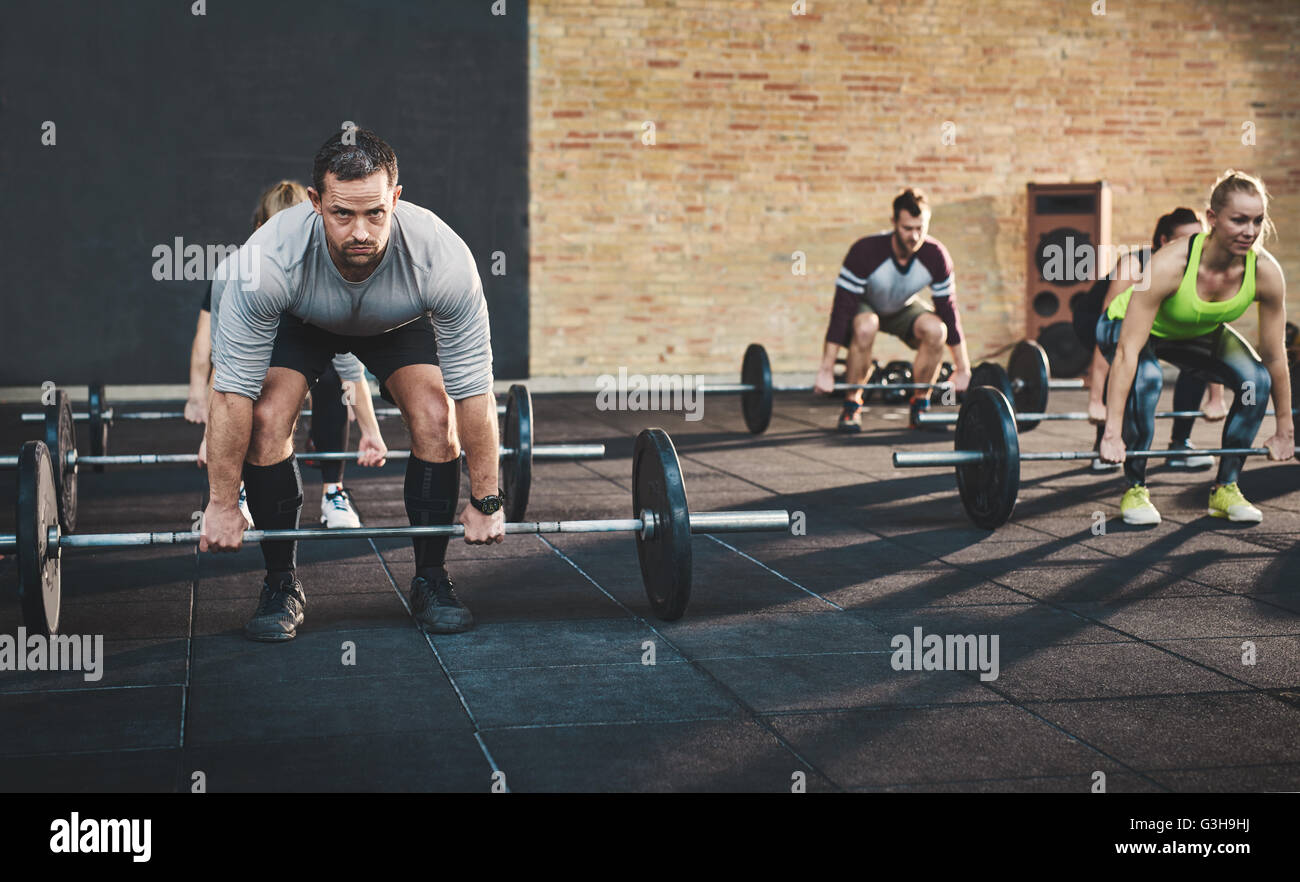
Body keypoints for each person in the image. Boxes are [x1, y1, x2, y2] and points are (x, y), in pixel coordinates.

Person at [204, 128, 500, 642]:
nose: (360, 231)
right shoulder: (265, 265)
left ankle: (431, 578)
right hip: (303, 319)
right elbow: (232, 395)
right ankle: (281, 584)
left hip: (396, 324)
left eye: (375, 213)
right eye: (343, 214)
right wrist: (223, 504)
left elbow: (474, 390)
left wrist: (487, 499)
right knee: (268, 419)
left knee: (436, 414)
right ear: (315, 202)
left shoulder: (443, 260)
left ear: (396, 200)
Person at [185, 181, 386, 528]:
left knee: (334, 384)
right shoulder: (235, 272)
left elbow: (347, 363)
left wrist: (370, 429)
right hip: (259, 366)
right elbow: (223, 360)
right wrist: (209, 433)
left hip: (309, 365)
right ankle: (242, 489)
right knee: (252, 388)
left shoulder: (324, 273)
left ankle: (333, 491)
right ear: (261, 229)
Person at [1097, 170, 1292, 525]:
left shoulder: (1265, 271)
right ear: (1212, 219)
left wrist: (1284, 428)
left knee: (1255, 381)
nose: (1250, 231)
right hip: (1124, 327)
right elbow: (1126, 352)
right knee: (1148, 379)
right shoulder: (1172, 264)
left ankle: (1225, 488)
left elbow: (1275, 355)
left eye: (1258, 220)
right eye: (1239, 220)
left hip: (1193, 332)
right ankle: (1135, 487)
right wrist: (1111, 432)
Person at [1078, 209, 1228, 472]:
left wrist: (1216, 397)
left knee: (1191, 363)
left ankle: (1180, 444)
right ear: (1162, 242)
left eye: (1199, 239)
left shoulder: (1198, 270)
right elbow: (1111, 339)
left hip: (1156, 324)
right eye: (1185, 240)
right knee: (1126, 360)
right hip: (1100, 320)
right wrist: (1095, 401)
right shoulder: (1134, 266)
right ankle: (1103, 442)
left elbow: (1209, 331)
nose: (1194, 247)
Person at [816, 188, 972, 431]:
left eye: (920, 228)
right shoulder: (865, 252)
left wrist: (963, 369)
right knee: (867, 326)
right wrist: (826, 370)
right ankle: (851, 406)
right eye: (907, 228)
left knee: (937, 330)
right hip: (867, 307)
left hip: (903, 306)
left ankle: (920, 405)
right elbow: (841, 312)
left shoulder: (936, 256)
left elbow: (949, 312)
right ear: (893, 223)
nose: (914, 236)